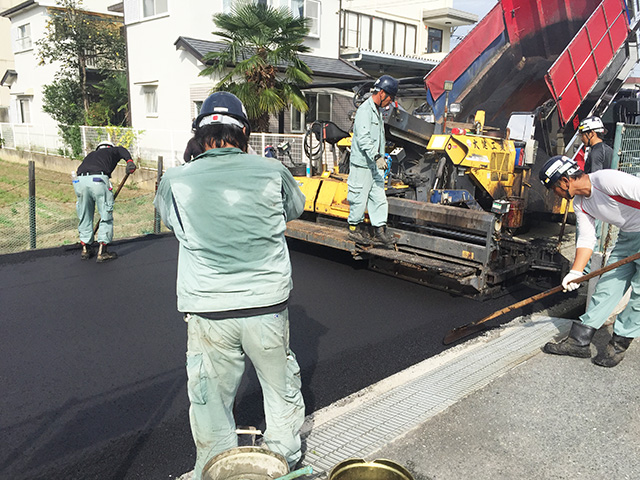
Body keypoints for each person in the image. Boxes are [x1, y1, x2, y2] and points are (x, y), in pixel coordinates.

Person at [154, 92, 306, 479]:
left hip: (208, 310)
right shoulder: (273, 172)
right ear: (244, 134)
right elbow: (294, 209)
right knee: (279, 388)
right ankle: (282, 459)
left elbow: (174, 225)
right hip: (266, 307)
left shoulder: (175, 179)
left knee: (210, 400)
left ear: (200, 135)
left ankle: (214, 466)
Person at [539, 155, 640, 367]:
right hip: (627, 238)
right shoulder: (580, 203)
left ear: (565, 181)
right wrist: (576, 272)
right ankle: (579, 341)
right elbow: (586, 238)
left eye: (554, 189)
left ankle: (619, 344)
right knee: (607, 285)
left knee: (639, 295)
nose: (555, 195)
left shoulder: (607, 180)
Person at [347, 74, 398, 248]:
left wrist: (380, 157)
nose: (390, 103)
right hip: (363, 164)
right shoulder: (365, 111)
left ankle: (380, 231)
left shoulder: (377, 111)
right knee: (358, 197)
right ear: (382, 93)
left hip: (375, 165)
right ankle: (354, 229)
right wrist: (376, 156)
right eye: (390, 98)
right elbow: (363, 138)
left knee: (379, 198)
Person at [73, 141, 136, 262]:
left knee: (84, 214)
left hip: (80, 181)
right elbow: (121, 150)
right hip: (98, 179)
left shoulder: (91, 155)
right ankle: (103, 251)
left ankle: (86, 248)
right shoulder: (111, 151)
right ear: (109, 147)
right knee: (105, 214)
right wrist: (129, 161)